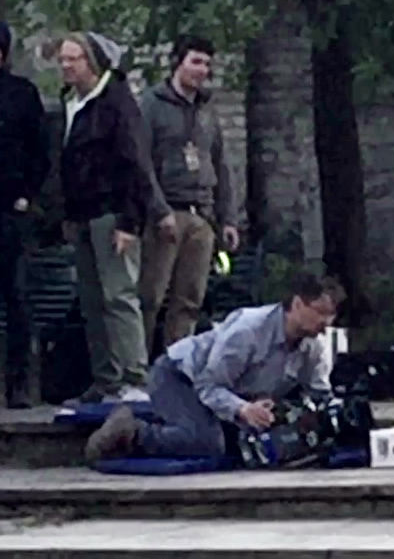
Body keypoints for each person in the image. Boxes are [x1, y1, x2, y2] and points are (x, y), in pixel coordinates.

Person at [84, 272, 344, 462]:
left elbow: (319, 392)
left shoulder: (314, 346)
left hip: (237, 391)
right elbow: (208, 384)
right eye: (321, 312)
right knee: (207, 443)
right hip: (181, 376)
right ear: (297, 304)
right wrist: (242, 409)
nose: (326, 322)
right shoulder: (249, 330)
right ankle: (132, 430)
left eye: (331, 316)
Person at [57, 32, 154, 406]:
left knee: (119, 296)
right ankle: (105, 377)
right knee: (91, 300)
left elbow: (134, 164)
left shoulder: (115, 103)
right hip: (83, 213)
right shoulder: (72, 104)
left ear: (92, 61)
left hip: (111, 212)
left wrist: (130, 221)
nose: (66, 66)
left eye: (74, 59)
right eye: (63, 60)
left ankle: (134, 376)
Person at [137, 34, 239, 359]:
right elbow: (142, 162)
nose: (202, 70)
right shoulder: (152, 105)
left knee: (189, 299)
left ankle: (178, 366)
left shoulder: (208, 110)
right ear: (178, 63)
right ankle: (136, 368)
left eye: (207, 64)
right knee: (150, 297)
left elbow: (220, 164)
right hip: (166, 212)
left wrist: (228, 218)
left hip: (203, 215)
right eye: (195, 61)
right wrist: (158, 209)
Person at [0, 20, 48, 409]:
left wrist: (26, 197)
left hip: (11, 210)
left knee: (16, 298)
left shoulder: (22, 95)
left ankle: (19, 387)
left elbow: (39, 152)